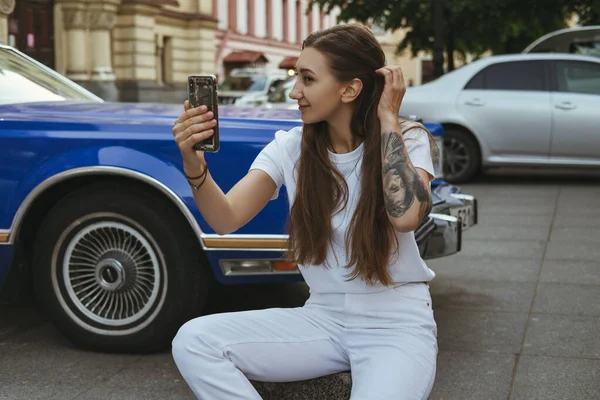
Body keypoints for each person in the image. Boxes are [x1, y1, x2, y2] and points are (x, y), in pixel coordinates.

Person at [171, 23, 439, 400]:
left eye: (308, 79)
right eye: (297, 76)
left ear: (350, 89)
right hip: (322, 318)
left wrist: (389, 119)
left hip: (396, 323)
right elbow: (225, 218)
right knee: (194, 340)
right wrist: (193, 163)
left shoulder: (406, 139)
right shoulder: (290, 147)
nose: (295, 91)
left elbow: (406, 216)